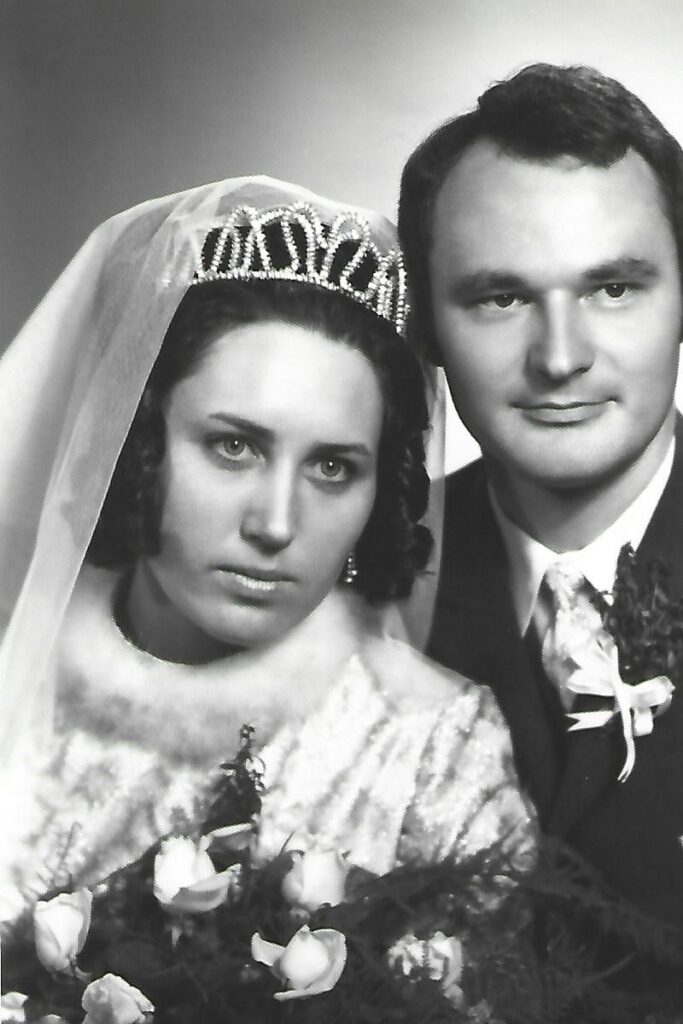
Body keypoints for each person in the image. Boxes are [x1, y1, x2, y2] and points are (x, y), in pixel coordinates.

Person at [0, 177, 532, 930]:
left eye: (332, 467)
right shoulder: (14, 665)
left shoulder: (435, 748)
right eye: (233, 446)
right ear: (141, 441)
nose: (276, 524)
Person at [398, 63, 683, 928]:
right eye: (500, 296)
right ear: (426, 326)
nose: (560, 357)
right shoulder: (366, 581)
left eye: (613, 288)